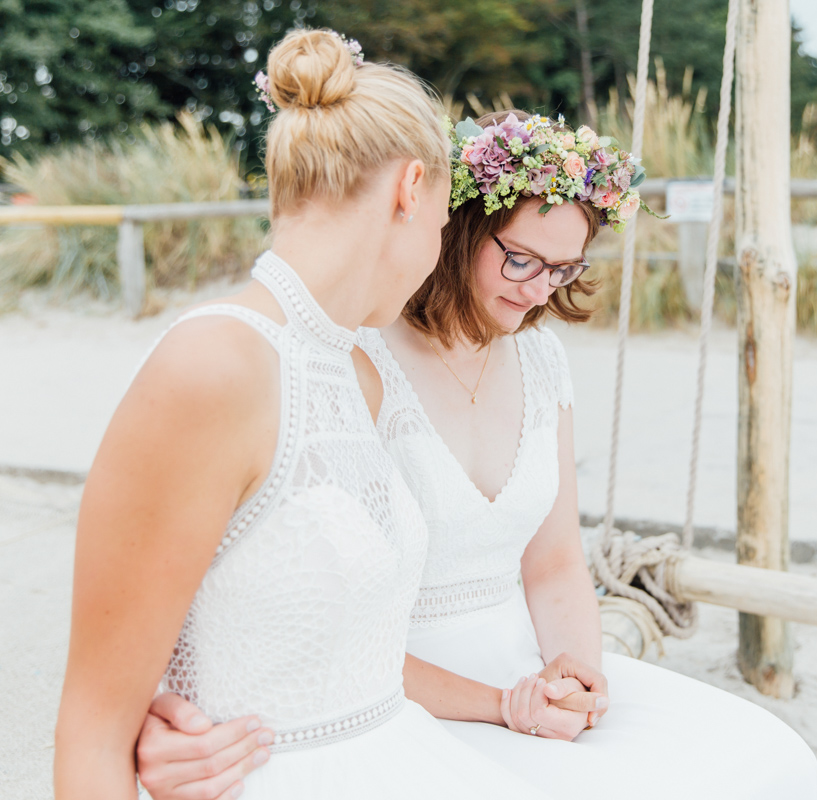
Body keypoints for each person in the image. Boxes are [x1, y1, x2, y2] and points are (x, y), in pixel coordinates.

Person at [136, 110, 817, 798]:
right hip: (396, 676)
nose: (536, 290)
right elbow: (322, 619)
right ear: (459, 227)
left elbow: (555, 565)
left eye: (562, 268)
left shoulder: (544, 359)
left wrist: (574, 677)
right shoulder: (361, 356)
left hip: (521, 655)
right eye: (519, 258)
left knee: (771, 758)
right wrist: (503, 705)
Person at [54, 31, 549, 800]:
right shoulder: (214, 365)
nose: (438, 249)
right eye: (446, 223)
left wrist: (505, 705)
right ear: (411, 190)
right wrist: (141, 741)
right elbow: (89, 732)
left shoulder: (361, 371)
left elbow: (363, 659)